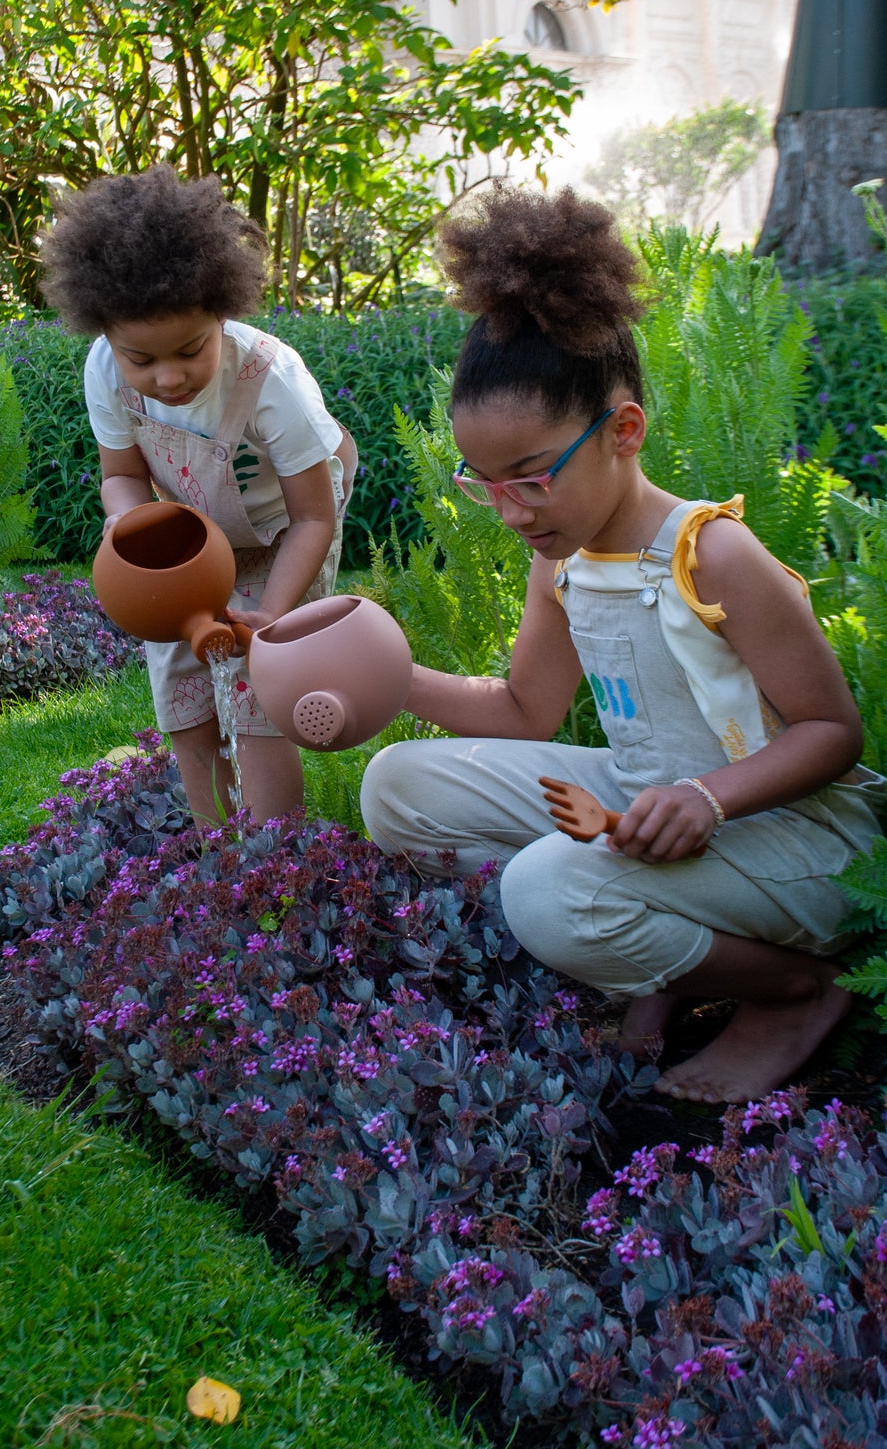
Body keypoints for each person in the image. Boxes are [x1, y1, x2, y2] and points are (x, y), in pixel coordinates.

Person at [360, 188, 881, 1105]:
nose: (511, 511)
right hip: (649, 805)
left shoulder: (712, 554)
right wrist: (386, 677)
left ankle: (794, 989)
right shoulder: (560, 558)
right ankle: (662, 953)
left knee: (545, 892)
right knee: (396, 786)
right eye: (483, 484)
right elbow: (525, 711)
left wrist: (706, 799)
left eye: (530, 479)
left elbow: (833, 735)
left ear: (624, 432)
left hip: (793, 838)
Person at [42, 165, 356, 826]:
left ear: (222, 310)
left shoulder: (273, 384)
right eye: (142, 359)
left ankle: (274, 857)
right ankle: (219, 858)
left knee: (255, 694)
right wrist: (133, 532)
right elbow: (122, 474)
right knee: (181, 682)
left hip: (284, 532)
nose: (168, 377)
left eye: (190, 350)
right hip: (189, 535)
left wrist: (268, 620)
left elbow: (312, 517)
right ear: (107, 337)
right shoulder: (106, 368)